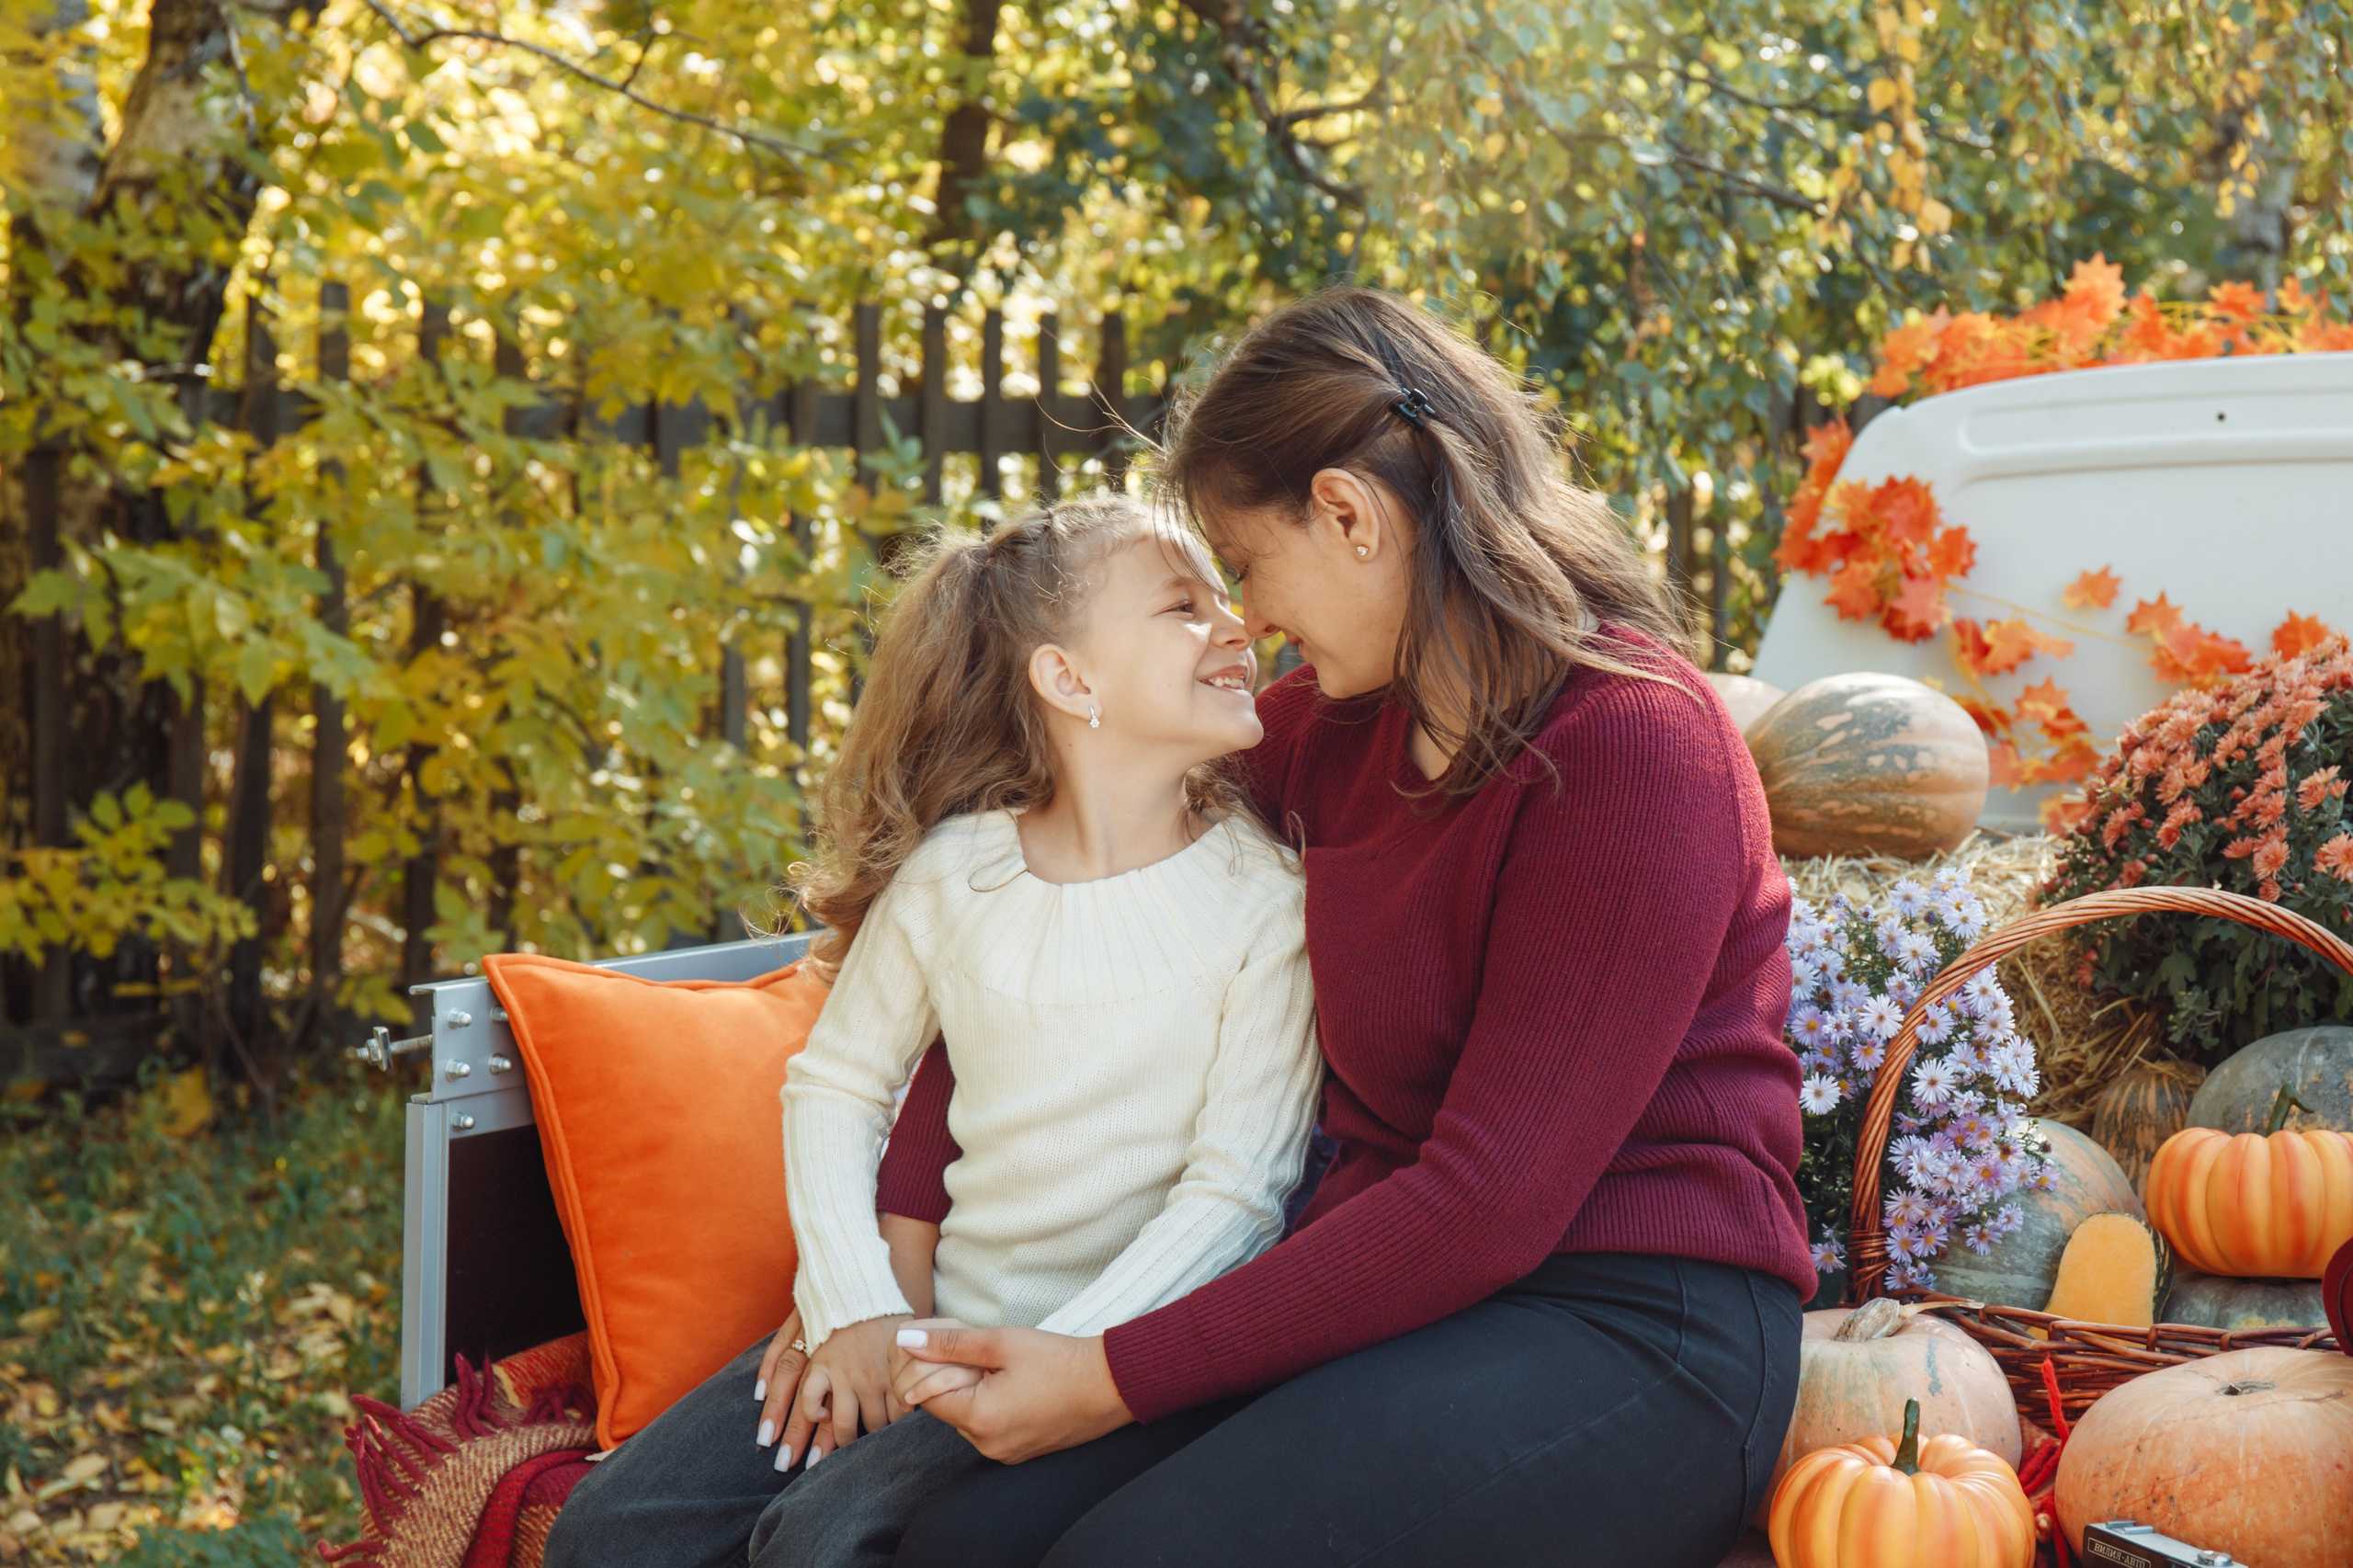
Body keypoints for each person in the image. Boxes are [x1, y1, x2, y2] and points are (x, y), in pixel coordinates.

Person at [869, 285, 1815, 1567]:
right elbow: (1042, 922)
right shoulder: (1321, 732)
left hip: (1638, 1325)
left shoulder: (1633, 745)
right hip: (1395, 1293)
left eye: (1248, 565)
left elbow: (1489, 1198)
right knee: (961, 1539)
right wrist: (888, 1248)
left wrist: (1109, 1372)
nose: (1248, 620)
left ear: (1350, 513)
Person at [541, 496, 1324, 1568]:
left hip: (1096, 1355)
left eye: (1226, 599)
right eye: (1184, 606)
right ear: (1068, 679)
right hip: (919, 1318)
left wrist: (1053, 1364)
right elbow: (837, 1086)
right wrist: (853, 1304)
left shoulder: (1267, 903)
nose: (1237, 625)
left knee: (817, 1540)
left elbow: (1237, 1191)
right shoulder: (956, 873)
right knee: (607, 1533)